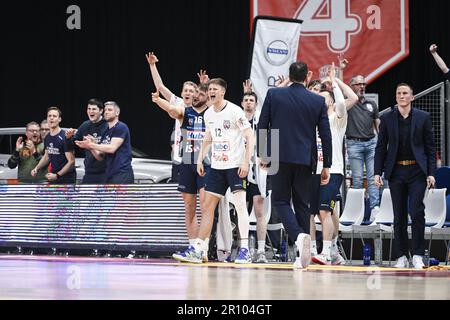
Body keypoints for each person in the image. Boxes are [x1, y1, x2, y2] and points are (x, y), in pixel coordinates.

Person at [258, 61, 332, 269]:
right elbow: (325, 135)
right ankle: (302, 255)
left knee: (281, 201)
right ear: (308, 76)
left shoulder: (274, 95)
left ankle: (299, 236)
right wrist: (327, 164)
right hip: (305, 158)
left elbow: (263, 124)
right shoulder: (317, 100)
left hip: (278, 156)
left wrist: (264, 154)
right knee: (302, 205)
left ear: (289, 76)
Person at [173, 78, 255, 264]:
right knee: (208, 207)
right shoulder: (208, 114)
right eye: (209, 89)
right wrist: (201, 158)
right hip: (217, 167)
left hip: (235, 166)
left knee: (240, 205)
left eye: (215, 89)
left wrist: (245, 162)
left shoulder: (235, 110)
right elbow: (208, 137)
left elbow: (250, 136)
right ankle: (198, 249)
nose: (211, 91)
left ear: (223, 92)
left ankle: (244, 250)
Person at [374, 83, 436, 269]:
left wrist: (431, 173)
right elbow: (380, 148)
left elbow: (430, 149)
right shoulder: (387, 118)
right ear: (396, 97)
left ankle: (417, 254)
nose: (402, 96)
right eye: (399, 93)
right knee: (398, 214)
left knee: (417, 211)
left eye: (405, 93)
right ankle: (401, 255)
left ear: (412, 97)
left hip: (417, 171)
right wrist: (377, 172)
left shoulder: (423, 117)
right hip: (396, 172)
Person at [152, 83, 210, 258]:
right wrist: (158, 100)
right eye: (195, 93)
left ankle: (203, 248)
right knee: (189, 207)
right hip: (187, 162)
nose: (195, 96)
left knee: (206, 208)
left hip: (206, 164)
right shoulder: (186, 112)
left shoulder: (213, 114)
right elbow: (172, 110)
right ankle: (193, 247)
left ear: (207, 96)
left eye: (200, 93)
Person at [309, 63, 358, 265]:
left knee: (325, 212)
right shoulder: (310, 120)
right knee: (309, 214)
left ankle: (328, 251)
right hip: (312, 171)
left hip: (333, 171)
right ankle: (311, 250)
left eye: (323, 99)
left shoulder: (336, 118)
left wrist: (334, 81)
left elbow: (348, 100)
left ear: (330, 103)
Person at [145, 52, 197, 183]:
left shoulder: (202, 107)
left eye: (191, 91)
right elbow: (160, 87)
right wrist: (152, 65)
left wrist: (205, 85)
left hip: (196, 155)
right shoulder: (178, 102)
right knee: (179, 193)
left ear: (196, 94)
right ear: (181, 93)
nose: (188, 93)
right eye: (185, 90)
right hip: (179, 156)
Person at [347, 75, 381, 219]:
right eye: (358, 84)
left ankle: (375, 209)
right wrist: (341, 70)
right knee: (358, 178)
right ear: (352, 86)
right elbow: (340, 91)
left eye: (363, 84)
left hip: (371, 143)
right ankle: (358, 210)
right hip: (354, 144)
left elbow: (377, 124)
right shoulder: (348, 102)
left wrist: (383, 143)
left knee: (374, 178)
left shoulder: (371, 104)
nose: (362, 86)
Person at [241, 88, 269, 263]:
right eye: (246, 100)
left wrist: (268, 158)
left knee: (259, 212)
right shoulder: (237, 119)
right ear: (242, 103)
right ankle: (241, 249)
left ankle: (260, 251)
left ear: (256, 103)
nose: (249, 102)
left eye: (252, 100)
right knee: (240, 211)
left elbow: (272, 136)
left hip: (258, 170)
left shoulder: (261, 120)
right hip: (240, 169)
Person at [75, 101, 134, 184]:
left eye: (110, 110)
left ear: (117, 112)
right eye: (105, 110)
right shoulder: (106, 131)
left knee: (120, 197)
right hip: (109, 174)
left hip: (121, 173)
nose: (106, 112)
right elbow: (100, 157)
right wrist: (90, 147)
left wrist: (92, 144)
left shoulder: (120, 127)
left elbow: (112, 149)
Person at [66, 98, 108, 184]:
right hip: (89, 173)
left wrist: (92, 144)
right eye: (89, 109)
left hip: (105, 173)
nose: (90, 111)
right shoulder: (85, 125)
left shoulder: (107, 125)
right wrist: (68, 138)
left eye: (94, 109)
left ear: (101, 111)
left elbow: (107, 150)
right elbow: (72, 144)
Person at [31, 107, 76, 184]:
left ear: (59, 119)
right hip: (53, 177)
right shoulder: (47, 137)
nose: (51, 118)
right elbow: (46, 156)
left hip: (66, 179)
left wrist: (57, 175)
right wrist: (36, 168)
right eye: (49, 116)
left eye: (54, 116)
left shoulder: (65, 136)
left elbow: (71, 161)